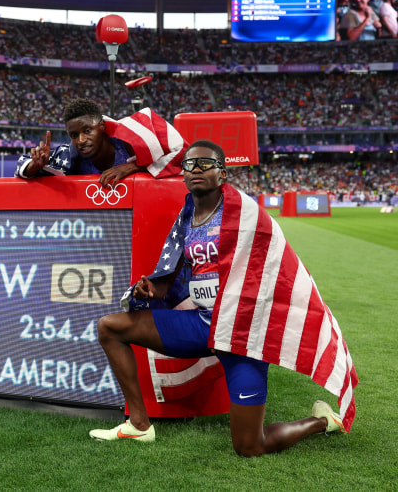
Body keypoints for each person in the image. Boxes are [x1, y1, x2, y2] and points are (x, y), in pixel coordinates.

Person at [89, 140, 355, 456]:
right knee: (110, 326)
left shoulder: (247, 215)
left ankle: (321, 421)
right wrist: (151, 287)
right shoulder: (186, 218)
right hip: (203, 324)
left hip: (242, 335)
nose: (197, 169)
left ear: (223, 174)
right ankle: (139, 425)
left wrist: (236, 320)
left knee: (250, 447)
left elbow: (274, 273)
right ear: (183, 174)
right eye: (190, 164)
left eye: (206, 163)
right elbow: (173, 278)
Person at [15, 98, 163, 186]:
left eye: (87, 131)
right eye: (73, 135)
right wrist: (35, 165)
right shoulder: (70, 155)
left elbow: (172, 159)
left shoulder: (129, 143)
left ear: (102, 126)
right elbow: (22, 166)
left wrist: (133, 166)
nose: (81, 141)